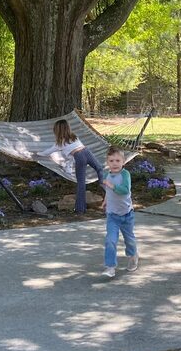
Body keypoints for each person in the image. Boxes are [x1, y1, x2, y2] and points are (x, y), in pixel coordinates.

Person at [35, 118, 104, 214]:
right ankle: (101, 185)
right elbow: (69, 155)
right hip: (86, 152)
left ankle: (81, 208)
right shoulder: (73, 137)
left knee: (82, 182)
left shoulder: (61, 142)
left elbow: (46, 152)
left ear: (57, 131)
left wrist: (36, 154)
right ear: (68, 129)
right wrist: (69, 165)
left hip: (81, 155)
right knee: (98, 169)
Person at [100, 145, 138, 278]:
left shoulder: (125, 174)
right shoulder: (106, 174)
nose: (114, 164)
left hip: (127, 215)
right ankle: (110, 267)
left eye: (117, 161)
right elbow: (108, 191)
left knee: (130, 240)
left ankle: (133, 256)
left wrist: (112, 185)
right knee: (110, 240)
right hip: (112, 216)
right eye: (111, 161)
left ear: (123, 161)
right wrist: (105, 200)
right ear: (107, 162)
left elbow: (125, 190)